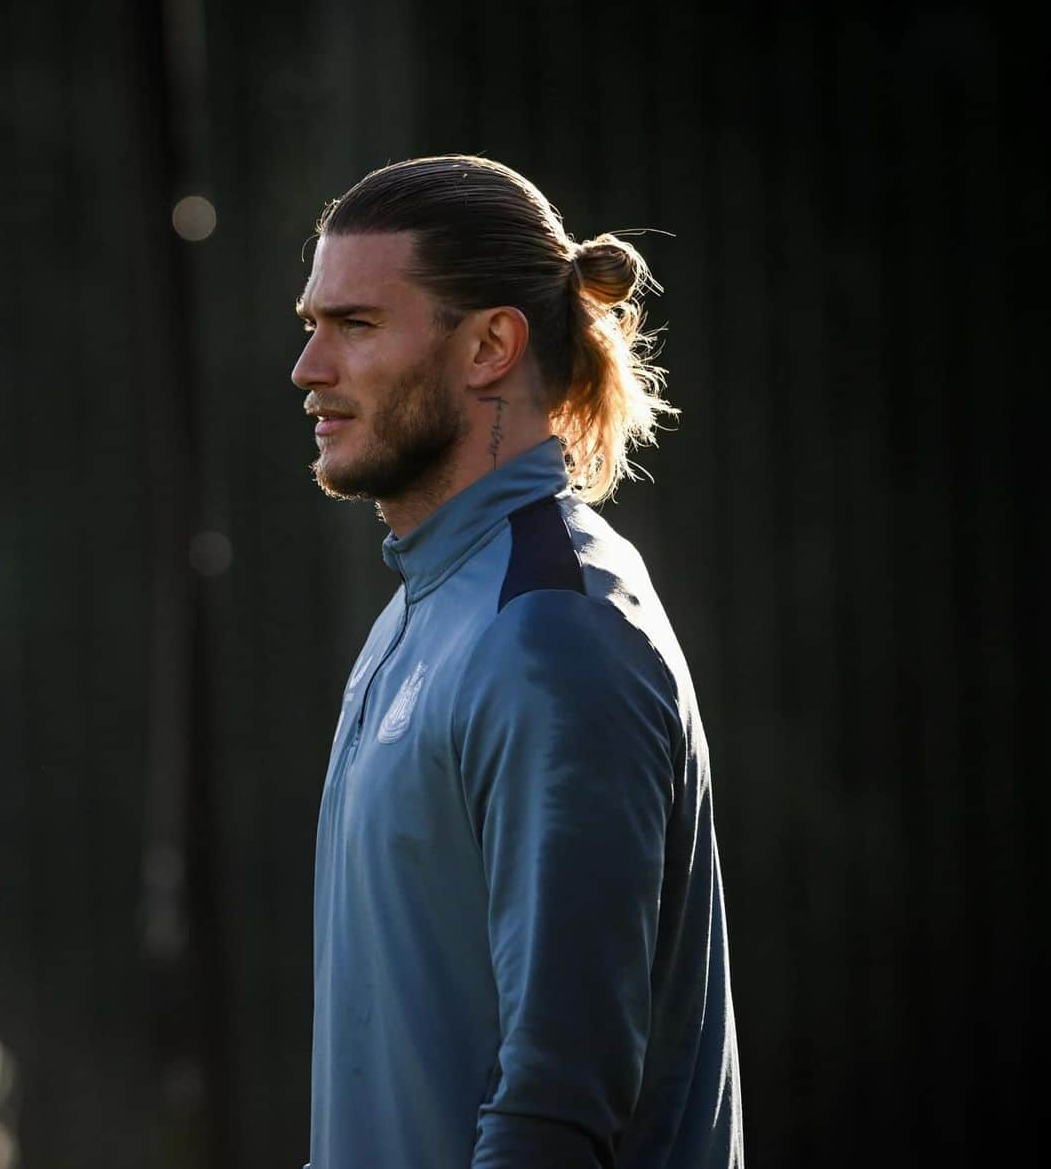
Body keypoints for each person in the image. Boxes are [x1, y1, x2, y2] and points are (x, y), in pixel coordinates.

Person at [291, 155, 744, 1169]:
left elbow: (554, 1106)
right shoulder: (425, 612)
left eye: (355, 325)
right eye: (310, 325)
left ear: (491, 344)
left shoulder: (552, 633)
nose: (309, 368)